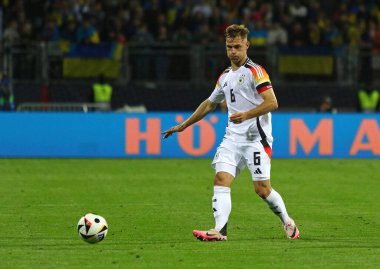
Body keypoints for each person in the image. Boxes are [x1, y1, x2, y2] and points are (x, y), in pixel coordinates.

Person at [162, 24, 300, 241]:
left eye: (237, 46)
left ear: (247, 45)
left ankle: (287, 220)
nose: (233, 51)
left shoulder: (256, 71)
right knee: (220, 179)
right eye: (229, 47)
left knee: (262, 190)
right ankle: (219, 230)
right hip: (232, 138)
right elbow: (209, 104)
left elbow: (272, 102)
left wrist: (247, 115)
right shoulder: (225, 76)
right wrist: (183, 125)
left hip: (256, 139)